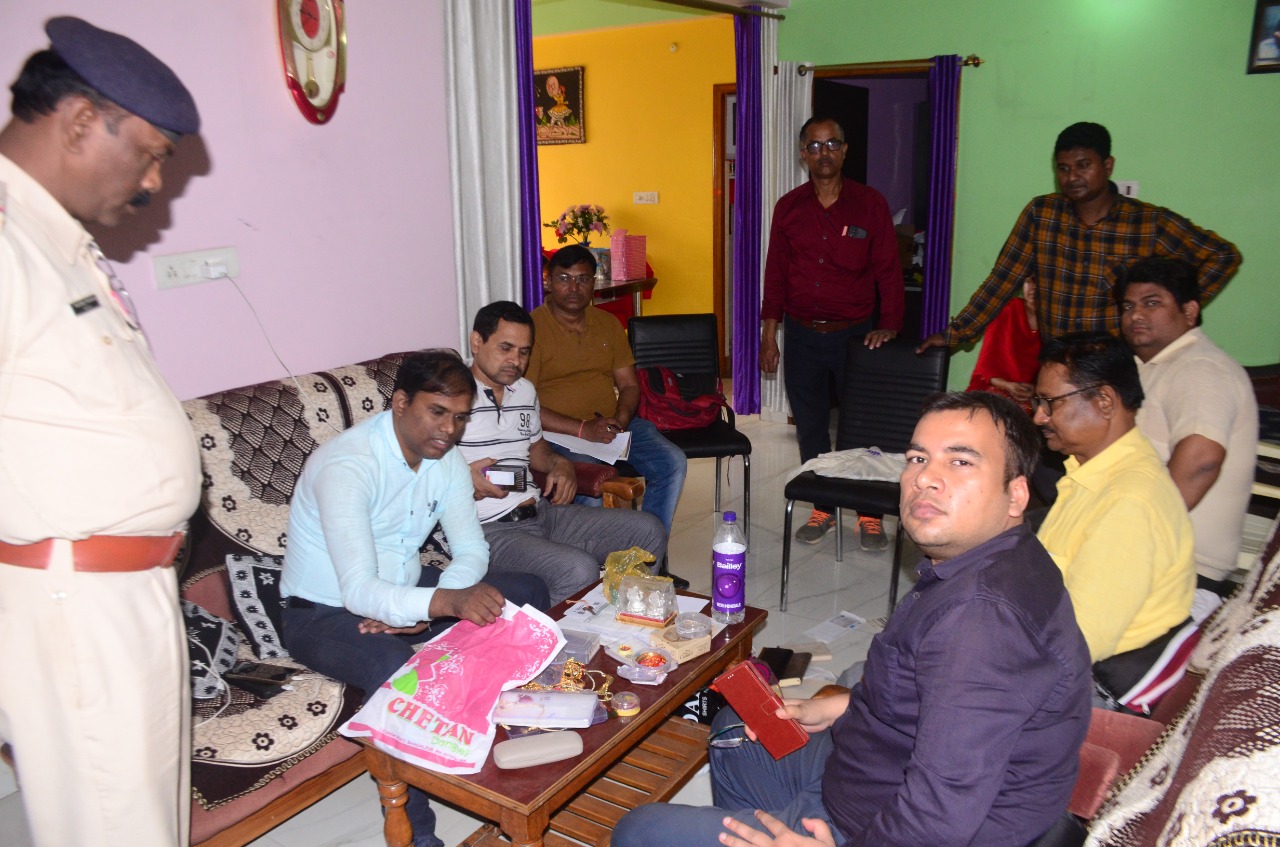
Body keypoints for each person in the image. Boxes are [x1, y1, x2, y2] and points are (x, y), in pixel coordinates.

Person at [613, 392, 1092, 847]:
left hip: (880, 825)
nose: (925, 478)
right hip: (869, 772)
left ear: (1016, 494)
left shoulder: (983, 622)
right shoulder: (996, 560)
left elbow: (941, 814)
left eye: (961, 461)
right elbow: (929, 699)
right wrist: (841, 707)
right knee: (736, 728)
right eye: (917, 458)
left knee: (640, 830)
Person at [0, 17, 202, 847]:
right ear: (82, 120)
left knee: (148, 820)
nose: (155, 183)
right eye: (150, 154)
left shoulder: (59, 244)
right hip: (72, 601)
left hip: (128, 590)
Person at [280, 350, 549, 847]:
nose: (449, 430)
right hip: (322, 611)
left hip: (407, 590)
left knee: (527, 592)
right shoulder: (348, 466)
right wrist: (440, 605)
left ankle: (521, 742)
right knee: (393, 663)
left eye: (461, 417)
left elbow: (472, 550)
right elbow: (359, 590)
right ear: (400, 402)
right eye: (437, 412)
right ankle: (420, 838)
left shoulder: (444, 459)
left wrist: (436, 602)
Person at [919, 122, 1241, 352]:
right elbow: (1002, 279)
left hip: (1119, 366)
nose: (1072, 177)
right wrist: (956, 333)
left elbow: (1223, 256)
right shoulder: (1042, 214)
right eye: (1063, 168)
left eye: (1083, 165)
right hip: (1057, 363)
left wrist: (1177, 313)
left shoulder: (1148, 222)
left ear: (1108, 166)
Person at [457, 301, 667, 605]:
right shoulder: (452, 395)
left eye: (524, 352)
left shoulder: (525, 391)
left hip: (541, 514)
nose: (515, 360)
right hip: (488, 531)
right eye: (505, 348)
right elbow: (415, 465)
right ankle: (551, 636)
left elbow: (535, 447)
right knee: (578, 569)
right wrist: (462, 477)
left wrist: (559, 463)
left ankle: (629, 619)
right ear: (477, 342)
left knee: (647, 530)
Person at [760, 116, 905, 551]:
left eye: (831, 144)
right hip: (802, 336)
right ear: (802, 154)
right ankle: (822, 505)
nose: (823, 153)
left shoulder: (870, 204)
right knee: (810, 427)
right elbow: (775, 274)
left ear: (844, 150)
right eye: (814, 146)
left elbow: (889, 271)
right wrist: (769, 335)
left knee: (860, 427)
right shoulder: (788, 207)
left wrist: (890, 325)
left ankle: (868, 513)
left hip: (855, 336)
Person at [1033, 332, 1195, 701]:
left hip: (1091, 690)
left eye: (1050, 402)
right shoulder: (1094, 473)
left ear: (1104, 401)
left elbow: (1075, 646)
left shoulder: (1129, 502)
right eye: (1038, 402)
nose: (1039, 416)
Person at [1117, 257, 1259, 598]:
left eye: (1152, 303)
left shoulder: (1200, 367)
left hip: (1180, 567)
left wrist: (1130, 535)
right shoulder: (1155, 366)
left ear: (1190, 311)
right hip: (1152, 556)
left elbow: (1201, 460)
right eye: (1128, 306)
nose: (1136, 315)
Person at [526, 246, 689, 541]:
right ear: (548, 282)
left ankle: (647, 553)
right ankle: (596, 559)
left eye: (582, 279)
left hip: (610, 427)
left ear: (594, 283)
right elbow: (524, 404)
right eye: (564, 278)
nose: (573, 288)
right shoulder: (532, 329)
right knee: (591, 475)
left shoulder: (608, 324)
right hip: (557, 434)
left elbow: (629, 385)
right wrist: (583, 429)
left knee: (672, 461)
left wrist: (620, 421)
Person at [965, 278, 1042, 412]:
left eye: (1039, 281)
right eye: (1029, 281)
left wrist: (1036, 390)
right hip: (998, 389)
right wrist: (1008, 386)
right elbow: (984, 371)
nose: (1033, 288)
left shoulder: (1054, 322)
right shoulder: (1007, 311)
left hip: (1033, 394)